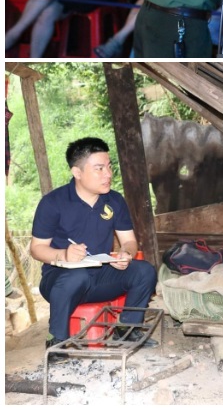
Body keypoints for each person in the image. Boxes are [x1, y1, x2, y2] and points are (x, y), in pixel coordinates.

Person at [28, 138, 158, 347]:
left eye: (109, 167)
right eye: (99, 168)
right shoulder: (53, 202)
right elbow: (36, 248)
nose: (108, 174)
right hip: (60, 281)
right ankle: (58, 341)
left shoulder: (114, 200)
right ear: (77, 173)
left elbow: (129, 241)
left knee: (145, 271)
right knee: (76, 276)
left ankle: (127, 330)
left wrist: (125, 253)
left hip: (102, 275)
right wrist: (63, 255)